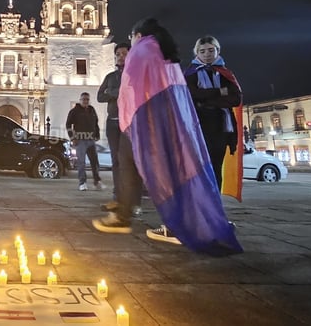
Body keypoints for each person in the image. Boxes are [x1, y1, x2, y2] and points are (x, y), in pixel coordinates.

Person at [92, 17, 242, 256]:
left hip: (143, 122)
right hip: (171, 124)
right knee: (181, 173)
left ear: (138, 35)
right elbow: (187, 93)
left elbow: (129, 89)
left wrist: (128, 122)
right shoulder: (165, 56)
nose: (130, 43)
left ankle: (133, 219)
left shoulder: (141, 51)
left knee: (139, 168)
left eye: (131, 38)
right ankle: (199, 222)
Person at [183, 36, 242, 189]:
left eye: (211, 50)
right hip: (198, 124)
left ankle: (214, 201)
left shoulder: (225, 73)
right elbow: (191, 94)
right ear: (197, 53)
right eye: (202, 51)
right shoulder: (190, 73)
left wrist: (206, 99)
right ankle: (201, 201)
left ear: (217, 51)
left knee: (216, 164)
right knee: (199, 165)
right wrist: (220, 92)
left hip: (220, 125)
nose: (207, 54)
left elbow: (236, 98)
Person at [97, 42, 137, 212]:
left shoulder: (135, 74)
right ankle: (117, 197)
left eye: (124, 53)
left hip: (129, 122)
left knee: (130, 161)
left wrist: (112, 93)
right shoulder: (110, 76)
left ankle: (132, 200)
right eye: (118, 54)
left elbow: (133, 93)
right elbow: (100, 96)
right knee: (115, 160)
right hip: (112, 121)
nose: (120, 56)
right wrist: (118, 92)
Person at [66, 92, 104, 191]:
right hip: (80, 140)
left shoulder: (92, 110)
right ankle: (82, 183)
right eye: (83, 99)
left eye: (87, 99)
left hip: (91, 140)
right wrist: (73, 138)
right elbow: (68, 125)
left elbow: (96, 123)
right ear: (80, 100)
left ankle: (97, 181)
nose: (85, 101)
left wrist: (97, 134)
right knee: (81, 162)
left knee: (95, 162)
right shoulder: (74, 111)